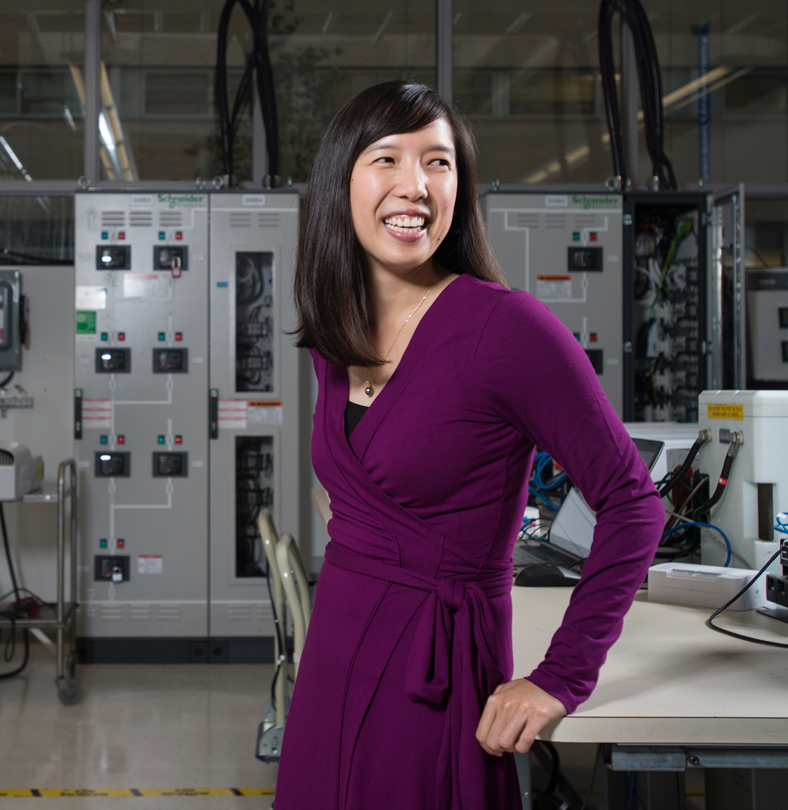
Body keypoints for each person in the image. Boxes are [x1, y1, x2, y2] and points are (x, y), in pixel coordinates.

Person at [274, 81, 664, 809]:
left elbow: (635, 505)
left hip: (435, 672)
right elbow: (363, 479)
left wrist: (560, 676)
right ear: (341, 182)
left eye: (439, 163)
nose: (414, 186)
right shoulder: (336, 333)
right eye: (386, 159)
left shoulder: (506, 329)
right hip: (335, 648)